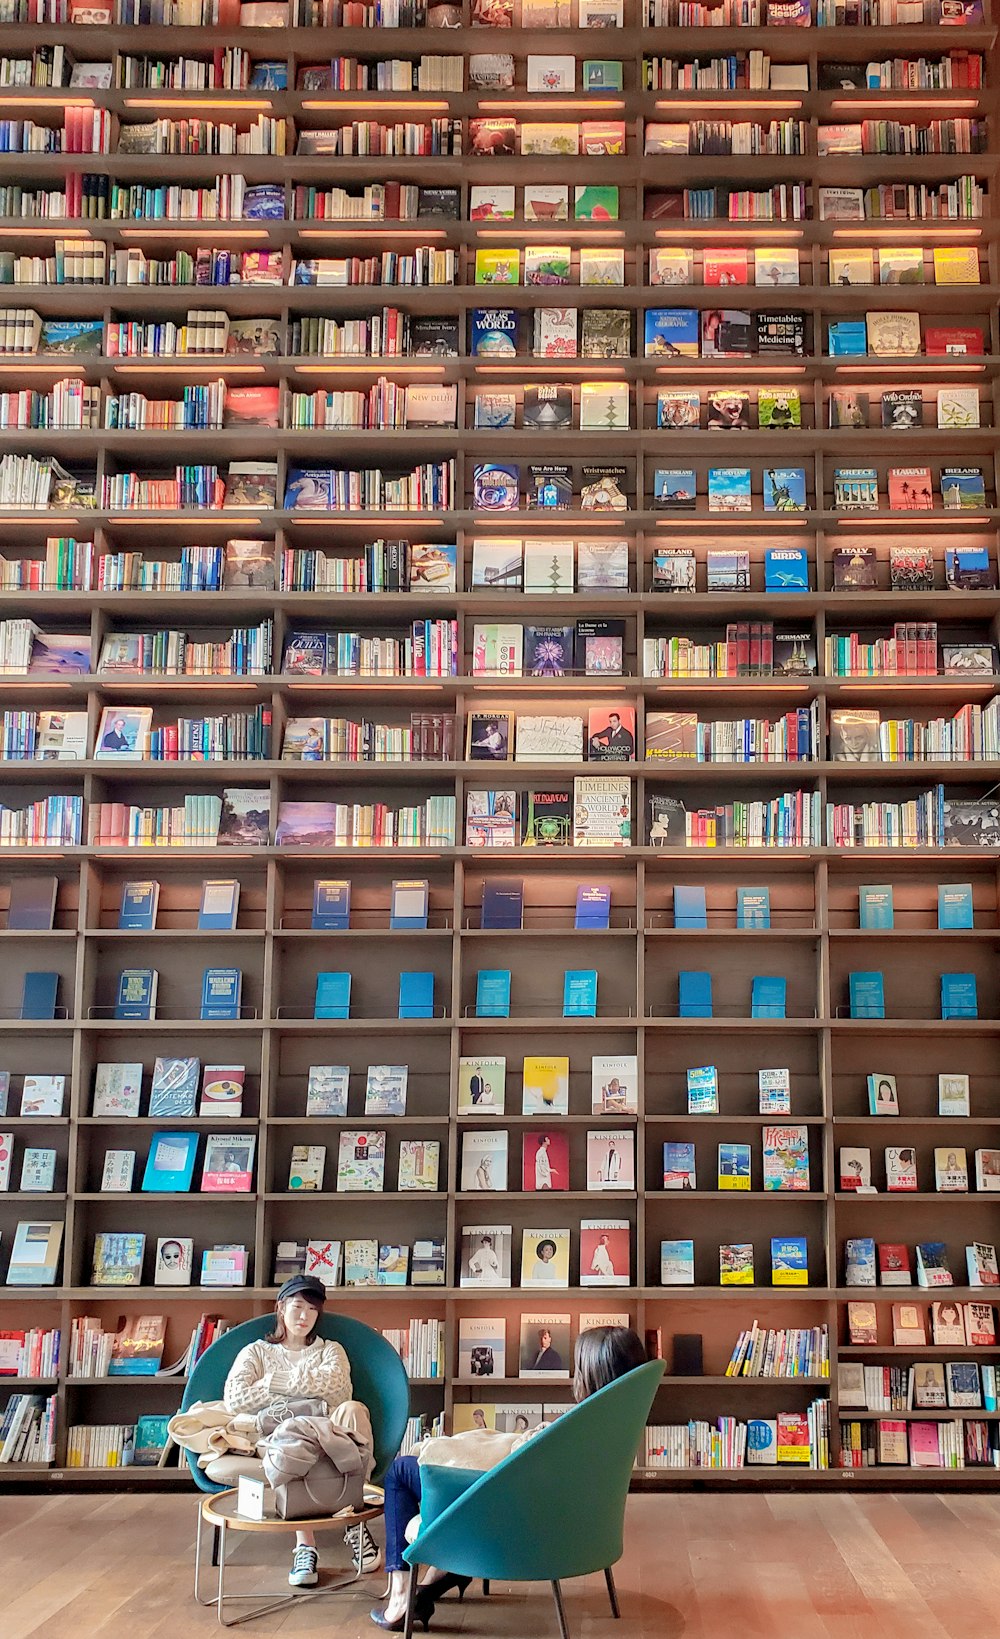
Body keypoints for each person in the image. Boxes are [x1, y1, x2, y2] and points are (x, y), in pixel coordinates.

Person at [370, 1326, 648, 1631]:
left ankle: (400, 1597)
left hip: (514, 1523)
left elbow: (503, 1471)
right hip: (570, 1527)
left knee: (401, 1471)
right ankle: (439, 1577)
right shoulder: (617, 1424)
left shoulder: (567, 1435)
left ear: (591, 1375)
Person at [221, 1275, 380, 1588]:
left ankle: (354, 1521)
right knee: (293, 1432)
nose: (304, 1316)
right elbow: (236, 1398)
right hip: (281, 1439)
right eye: (297, 1307)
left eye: (312, 1309)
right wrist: (306, 1389)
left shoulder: (331, 1350)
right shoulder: (257, 1352)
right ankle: (305, 1545)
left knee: (355, 1410)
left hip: (330, 1435)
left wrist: (273, 1384)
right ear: (281, 1308)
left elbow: (338, 1392)